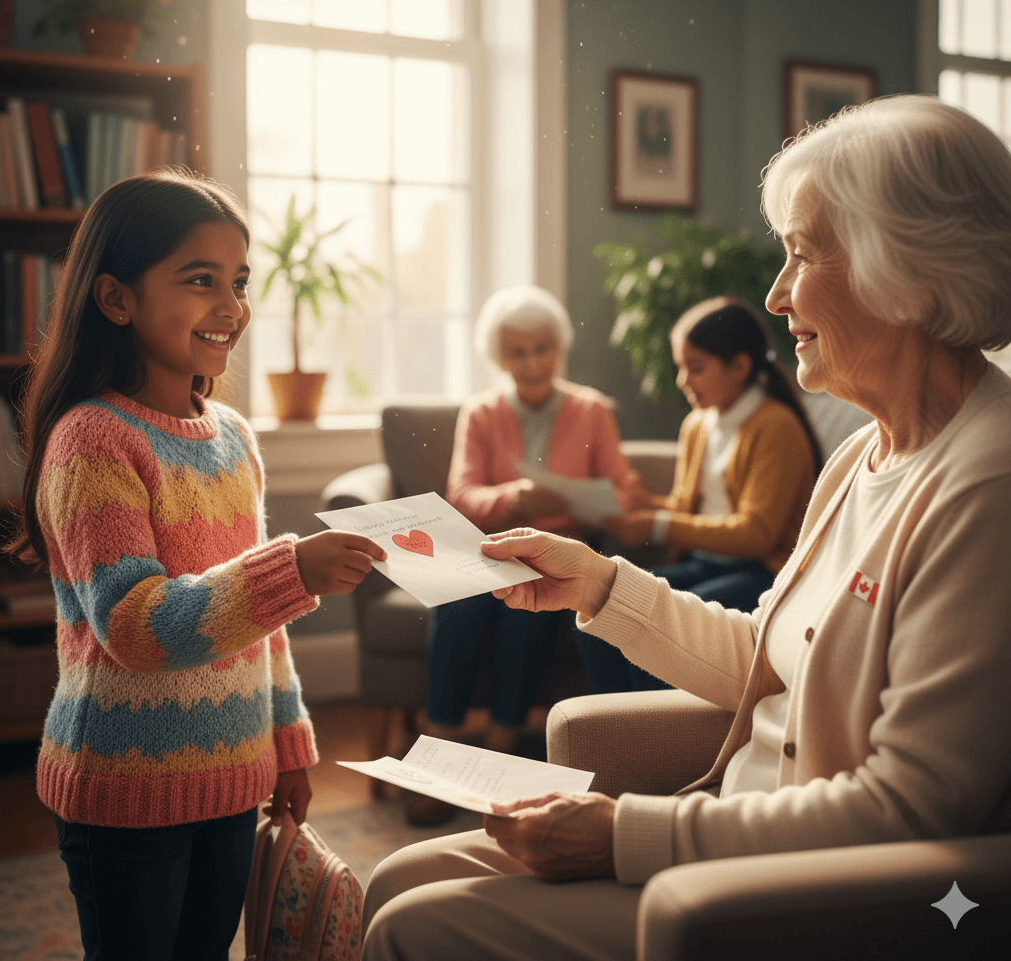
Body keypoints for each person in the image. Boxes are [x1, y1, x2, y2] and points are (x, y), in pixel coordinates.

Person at [361, 94, 1011, 960]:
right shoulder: (863, 458)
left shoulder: (986, 487)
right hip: (734, 833)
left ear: (912, 275)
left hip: (788, 891)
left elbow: (912, 806)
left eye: (803, 255)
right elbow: (762, 658)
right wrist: (597, 581)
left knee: (413, 923)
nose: (775, 295)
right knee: (397, 878)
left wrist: (625, 834)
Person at [9, 169, 386, 961]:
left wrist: (287, 744)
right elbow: (137, 626)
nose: (233, 307)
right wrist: (295, 570)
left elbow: (259, 620)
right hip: (123, 792)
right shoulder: (92, 441)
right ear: (116, 300)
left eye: (240, 282)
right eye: (201, 280)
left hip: (235, 777)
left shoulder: (233, 437)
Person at [410, 285, 642, 825]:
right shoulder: (483, 413)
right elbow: (461, 496)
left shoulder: (591, 411)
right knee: (460, 607)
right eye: (518, 352)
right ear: (499, 357)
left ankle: (500, 740)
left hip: (556, 550)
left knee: (529, 608)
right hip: (490, 547)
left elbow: (624, 487)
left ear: (559, 349)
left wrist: (611, 500)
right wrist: (515, 496)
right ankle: (439, 742)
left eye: (543, 348)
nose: (533, 362)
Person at [579, 296, 821, 692]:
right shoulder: (697, 424)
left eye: (695, 368)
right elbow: (688, 507)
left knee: (654, 627)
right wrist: (644, 505)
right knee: (601, 608)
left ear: (740, 367)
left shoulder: (776, 426)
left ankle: (655, 736)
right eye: (681, 367)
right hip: (704, 563)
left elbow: (757, 532)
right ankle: (616, 721)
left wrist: (657, 524)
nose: (682, 381)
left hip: (760, 572)